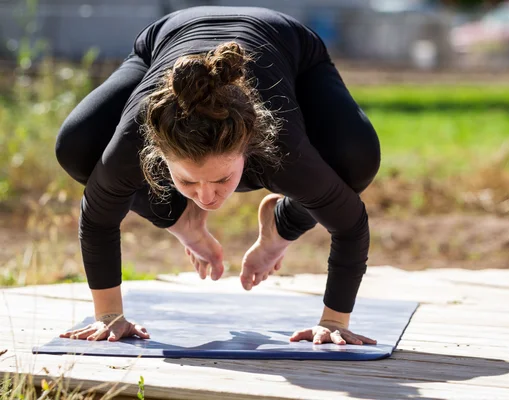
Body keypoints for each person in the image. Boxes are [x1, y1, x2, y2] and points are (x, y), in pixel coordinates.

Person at [55, 6, 380, 346]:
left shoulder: (283, 150)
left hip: (287, 41)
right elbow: (97, 220)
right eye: (188, 182)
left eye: (222, 180)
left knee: (356, 161)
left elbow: (350, 223)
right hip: (169, 36)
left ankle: (282, 223)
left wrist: (334, 321)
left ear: (250, 147)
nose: (208, 199)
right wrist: (109, 316)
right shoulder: (133, 143)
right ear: (157, 157)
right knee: (76, 149)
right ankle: (181, 219)